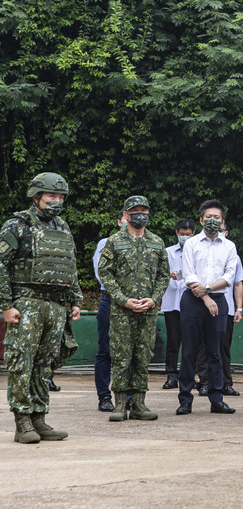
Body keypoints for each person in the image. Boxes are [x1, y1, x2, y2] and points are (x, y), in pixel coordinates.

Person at [0, 172, 82, 443]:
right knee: (22, 362)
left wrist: (75, 300)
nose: (56, 201)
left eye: (60, 196)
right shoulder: (17, 224)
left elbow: (69, 265)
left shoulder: (62, 227)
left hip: (56, 305)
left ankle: (39, 418)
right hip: (27, 303)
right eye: (51, 196)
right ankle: (22, 422)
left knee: (44, 364)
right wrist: (6, 305)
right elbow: (1, 265)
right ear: (36, 196)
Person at [97, 195, 170, 422]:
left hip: (147, 312)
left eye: (144, 211)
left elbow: (163, 275)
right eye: (135, 211)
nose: (141, 215)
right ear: (126, 215)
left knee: (142, 357)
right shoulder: (114, 241)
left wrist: (154, 298)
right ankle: (119, 404)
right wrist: (122, 299)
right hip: (122, 311)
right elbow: (105, 272)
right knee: (121, 356)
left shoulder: (156, 242)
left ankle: (139, 404)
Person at [177, 199, 237, 415]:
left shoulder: (230, 246)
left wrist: (209, 291)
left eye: (217, 218)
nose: (213, 221)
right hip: (193, 301)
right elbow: (189, 273)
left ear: (223, 222)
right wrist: (205, 297)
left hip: (218, 300)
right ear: (201, 219)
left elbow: (229, 276)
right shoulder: (191, 244)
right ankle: (185, 399)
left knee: (215, 352)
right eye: (208, 217)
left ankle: (217, 399)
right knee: (190, 351)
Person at [196, 221, 243, 397]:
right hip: (201, 304)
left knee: (223, 347)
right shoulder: (199, 249)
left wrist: (239, 308)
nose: (219, 232)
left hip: (226, 307)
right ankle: (205, 381)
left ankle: (225, 382)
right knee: (203, 346)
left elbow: (238, 283)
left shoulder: (232, 253)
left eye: (223, 230)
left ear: (227, 232)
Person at [91, 211, 126, 412]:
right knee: (105, 350)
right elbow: (101, 273)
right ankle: (104, 397)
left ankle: (129, 397)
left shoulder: (145, 243)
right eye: (126, 218)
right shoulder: (105, 243)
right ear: (119, 221)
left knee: (130, 352)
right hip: (110, 300)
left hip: (134, 303)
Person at [161, 218, 194, 390]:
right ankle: (171, 375)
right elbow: (159, 272)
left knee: (191, 342)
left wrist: (180, 275)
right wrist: (169, 274)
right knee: (173, 341)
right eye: (182, 234)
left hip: (192, 302)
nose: (185, 237)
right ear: (176, 233)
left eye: (188, 235)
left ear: (193, 234)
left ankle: (189, 375)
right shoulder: (167, 252)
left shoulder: (197, 251)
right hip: (172, 302)